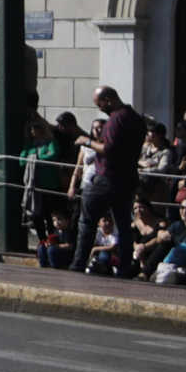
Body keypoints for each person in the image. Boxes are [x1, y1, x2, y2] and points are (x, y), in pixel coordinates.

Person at [70, 86, 146, 272]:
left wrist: (85, 141)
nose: (101, 109)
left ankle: (79, 263)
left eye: (100, 105)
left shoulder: (116, 119)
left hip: (107, 178)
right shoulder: (136, 118)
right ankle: (125, 268)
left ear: (109, 99)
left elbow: (109, 149)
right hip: (128, 179)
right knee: (124, 225)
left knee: (86, 221)